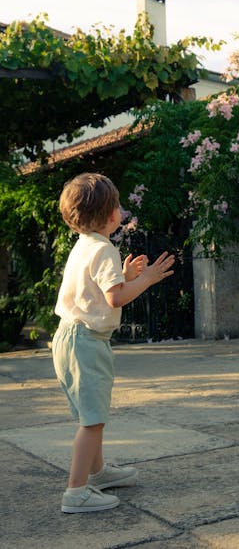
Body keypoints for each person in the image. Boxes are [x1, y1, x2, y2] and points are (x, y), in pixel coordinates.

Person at [52, 172, 175, 513]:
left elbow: (100, 289)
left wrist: (127, 275)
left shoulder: (85, 246)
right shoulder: (104, 249)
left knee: (92, 412)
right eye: (118, 205)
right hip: (87, 341)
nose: (121, 210)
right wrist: (146, 280)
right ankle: (75, 493)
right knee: (92, 420)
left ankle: (99, 472)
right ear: (110, 215)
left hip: (69, 338)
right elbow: (114, 299)